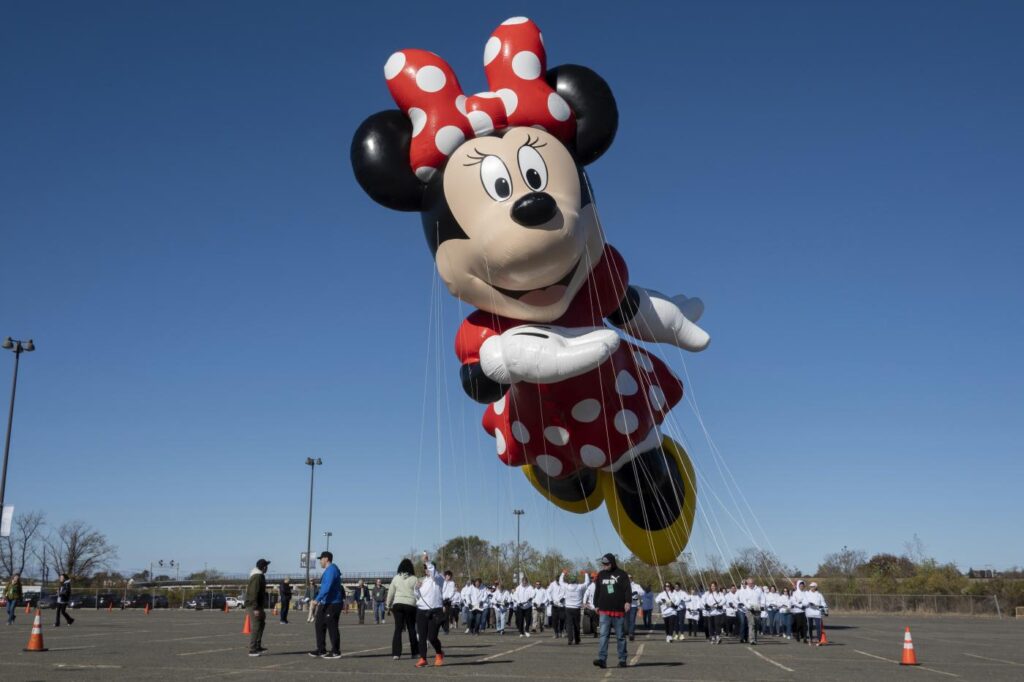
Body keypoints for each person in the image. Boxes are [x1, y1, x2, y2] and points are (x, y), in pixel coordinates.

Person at [592, 553, 631, 669]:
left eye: (607, 564)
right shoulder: (601, 575)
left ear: (612, 563)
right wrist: (596, 604)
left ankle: (622, 659)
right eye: (603, 564)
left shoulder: (622, 574)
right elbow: (597, 590)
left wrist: (628, 601)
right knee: (603, 635)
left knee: (620, 636)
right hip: (604, 610)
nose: (605, 566)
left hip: (618, 610)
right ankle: (602, 659)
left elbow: (627, 589)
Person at [309, 551, 343, 659]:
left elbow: (326, 587)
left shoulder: (331, 570)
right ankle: (321, 649)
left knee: (332, 626)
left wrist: (316, 600)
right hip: (325, 603)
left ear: (326, 559)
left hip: (333, 603)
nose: (320, 561)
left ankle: (336, 651)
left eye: (321, 559)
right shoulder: (328, 570)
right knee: (319, 624)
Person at [414, 552, 445, 667]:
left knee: (432, 637)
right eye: (425, 568)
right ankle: (423, 658)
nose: (426, 569)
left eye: (427, 567)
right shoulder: (423, 580)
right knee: (421, 636)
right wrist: (416, 589)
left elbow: (433, 571)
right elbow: (417, 596)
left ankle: (439, 653)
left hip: (435, 611)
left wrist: (427, 561)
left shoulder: (439, 578)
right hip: (421, 610)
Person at [387, 558, 419, 659]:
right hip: (410, 604)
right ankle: (415, 653)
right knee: (411, 629)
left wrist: (388, 605)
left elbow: (391, 592)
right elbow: (418, 594)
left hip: (398, 604)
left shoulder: (396, 578)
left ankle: (396, 654)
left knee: (398, 629)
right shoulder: (414, 579)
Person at [245, 559, 270, 656]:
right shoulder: (257, 576)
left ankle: (258, 646)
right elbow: (253, 592)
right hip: (253, 605)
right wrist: (255, 608)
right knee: (256, 625)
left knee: (261, 624)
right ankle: (252, 649)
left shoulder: (260, 576)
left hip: (258, 605)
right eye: (266, 566)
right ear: (263, 567)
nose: (267, 568)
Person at [559, 569, 589, 645]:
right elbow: (587, 583)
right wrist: (585, 574)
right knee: (576, 624)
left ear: (570, 580)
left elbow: (560, 582)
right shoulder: (579, 587)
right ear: (576, 580)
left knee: (569, 624)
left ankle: (570, 639)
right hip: (576, 608)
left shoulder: (566, 586)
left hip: (568, 608)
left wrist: (563, 573)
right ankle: (577, 639)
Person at [626, 574, 644, 641]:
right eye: (627, 578)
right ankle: (628, 632)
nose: (629, 579)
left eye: (630, 578)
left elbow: (643, 592)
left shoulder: (637, 585)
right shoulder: (623, 585)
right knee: (626, 621)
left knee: (632, 620)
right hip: (625, 605)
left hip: (633, 605)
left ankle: (631, 633)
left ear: (632, 578)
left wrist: (636, 592)